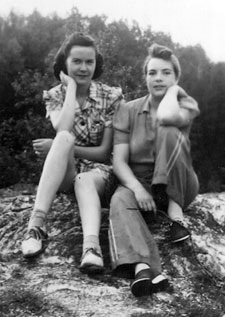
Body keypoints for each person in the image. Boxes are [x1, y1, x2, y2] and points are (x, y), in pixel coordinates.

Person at [21, 32, 123, 274]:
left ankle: (91, 248)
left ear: (96, 64)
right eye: (76, 61)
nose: (84, 68)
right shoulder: (55, 95)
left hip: (100, 175)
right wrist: (71, 90)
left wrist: (57, 147)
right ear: (64, 64)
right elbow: (64, 129)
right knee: (64, 137)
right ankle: (36, 226)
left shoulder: (111, 96)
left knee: (77, 165)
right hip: (67, 173)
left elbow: (104, 152)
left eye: (90, 62)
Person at [109, 43, 200, 297]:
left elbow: (167, 118)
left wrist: (174, 91)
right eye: (152, 73)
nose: (158, 78)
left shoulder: (185, 103)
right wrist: (137, 189)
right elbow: (119, 161)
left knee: (170, 131)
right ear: (145, 77)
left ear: (176, 77)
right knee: (119, 199)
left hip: (179, 180)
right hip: (140, 181)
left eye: (166, 73)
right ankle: (144, 268)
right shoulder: (128, 110)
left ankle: (175, 213)